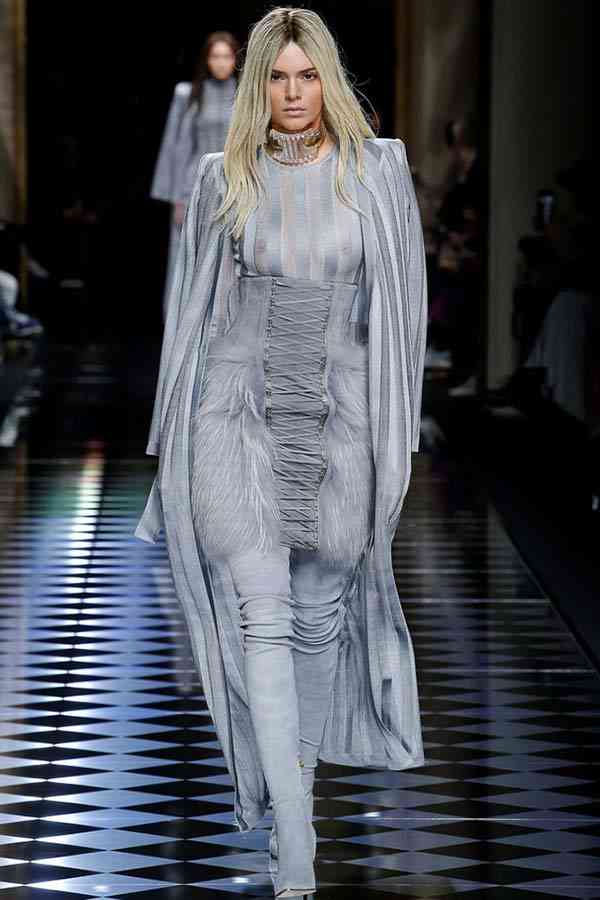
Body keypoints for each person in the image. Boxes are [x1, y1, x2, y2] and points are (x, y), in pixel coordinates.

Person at [135, 7, 427, 897]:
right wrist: (172, 442)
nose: (293, 93)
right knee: (261, 619)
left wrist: (394, 443)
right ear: (256, 83)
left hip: (343, 420)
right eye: (277, 76)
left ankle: (292, 810)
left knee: (317, 623)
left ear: (327, 79)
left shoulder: (378, 171)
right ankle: (297, 849)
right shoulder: (222, 175)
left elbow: (404, 315)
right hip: (237, 413)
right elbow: (189, 314)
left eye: (306, 76)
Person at [150, 31, 239, 317]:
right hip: (194, 187)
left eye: (227, 56)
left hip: (234, 186)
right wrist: (176, 196)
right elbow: (177, 146)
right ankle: (179, 323)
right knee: (187, 256)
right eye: (215, 56)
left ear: (235, 59)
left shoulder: (246, 94)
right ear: (207, 60)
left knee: (231, 257)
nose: (221, 62)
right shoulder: (189, 94)